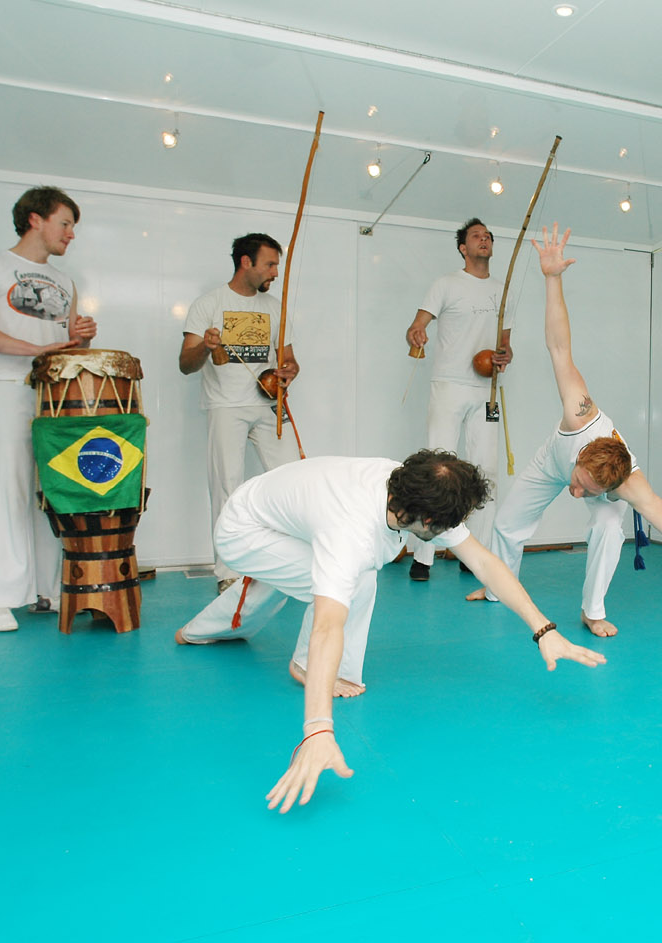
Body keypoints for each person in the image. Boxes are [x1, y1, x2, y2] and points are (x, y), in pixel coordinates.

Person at [171, 449, 606, 812]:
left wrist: (544, 629)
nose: (449, 534)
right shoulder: (350, 533)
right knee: (348, 581)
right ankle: (302, 665)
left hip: (280, 519)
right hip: (246, 532)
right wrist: (317, 729)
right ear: (422, 519)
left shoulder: (416, 488)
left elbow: (484, 562)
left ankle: (198, 630)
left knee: (328, 576)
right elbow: (327, 626)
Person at [466, 225, 662, 636]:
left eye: (587, 491)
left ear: (612, 486)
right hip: (553, 459)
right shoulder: (579, 413)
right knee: (507, 523)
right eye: (580, 484)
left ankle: (593, 611)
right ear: (583, 457)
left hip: (601, 477)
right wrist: (552, 278)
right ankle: (497, 589)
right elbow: (559, 346)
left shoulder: (627, 484)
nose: (575, 494)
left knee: (607, 529)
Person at [0, 186, 98, 632]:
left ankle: (48, 591)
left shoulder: (66, 282)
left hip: (56, 397)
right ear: (35, 219)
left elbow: (70, 348)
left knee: (54, 492)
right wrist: (36, 352)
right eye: (65, 223)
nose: (71, 234)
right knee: (10, 489)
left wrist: (82, 337)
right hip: (10, 387)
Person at [179, 234, 301, 593]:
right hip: (225, 406)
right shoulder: (208, 303)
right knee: (226, 487)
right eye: (270, 264)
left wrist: (290, 370)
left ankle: (290, 560)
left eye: (277, 265)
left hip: (268, 404)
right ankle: (228, 572)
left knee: (292, 479)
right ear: (246, 263)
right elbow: (186, 364)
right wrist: (206, 346)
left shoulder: (274, 307)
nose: (275, 272)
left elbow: (288, 358)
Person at [403, 218, 513, 581]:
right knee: (437, 467)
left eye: (488, 235)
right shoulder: (446, 284)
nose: (484, 239)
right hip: (449, 385)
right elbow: (417, 326)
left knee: (486, 471)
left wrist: (504, 356)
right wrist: (416, 333)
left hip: (487, 390)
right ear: (463, 248)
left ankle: (473, 554)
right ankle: (423, 555)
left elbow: (506, 345)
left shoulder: (503, 291)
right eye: (476, 236)